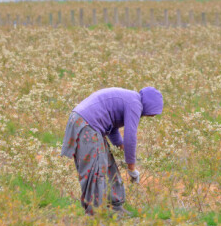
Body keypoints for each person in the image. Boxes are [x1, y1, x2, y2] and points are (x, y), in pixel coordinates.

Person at [61, 87, 164, 216]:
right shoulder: (135, 103)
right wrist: (131, 168)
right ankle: (95, 215)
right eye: (154, 111)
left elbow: (112, 128)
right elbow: (130, 137)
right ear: (149, 104)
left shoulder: (130, 99)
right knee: (95, 170)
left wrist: (120, 148)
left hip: (87, 123)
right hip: (86, 125)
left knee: (108, 164)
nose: (153, 115)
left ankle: (115, 207)